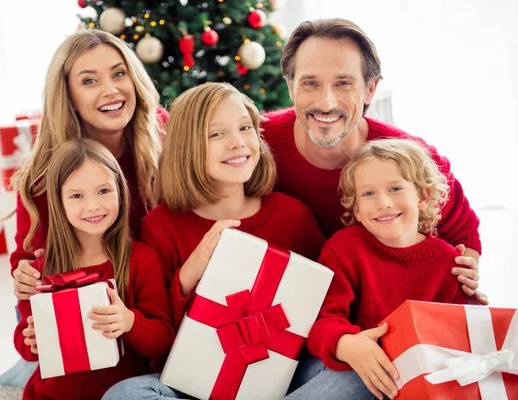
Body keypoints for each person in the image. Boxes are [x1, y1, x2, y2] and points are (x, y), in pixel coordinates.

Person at [103, 82, 329, 399]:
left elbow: (324, 304)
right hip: (194, 382)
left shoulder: (293, 215)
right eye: (216, 134)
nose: (237, 143)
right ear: (186, 147)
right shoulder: (161, 227)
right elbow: (159, 337)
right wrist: (189, 275)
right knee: (124, 395)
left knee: (345, 374)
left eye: (244, 127)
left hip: (282, 375)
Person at [260, 18, 487, 304]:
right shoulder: (254, 142)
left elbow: (463, 235)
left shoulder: (411, 158)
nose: (326, 102)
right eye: (310, 83)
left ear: (370, 89)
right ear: (291, 88)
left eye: (343, 83)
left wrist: (461, 277)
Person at [305, 139, 475, 400]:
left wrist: (476, 301)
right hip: (349, 364)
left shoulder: (448, 262)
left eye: (395, 188)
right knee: (360, 376)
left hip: (413, 375)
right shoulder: (344, 249)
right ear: (357, 209)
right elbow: (319, 322)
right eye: (368, 193)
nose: (383, 202)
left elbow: (468, 334)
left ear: (422, 197)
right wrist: (346, 344)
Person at [11, 29, 168, 301]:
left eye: (119, 74)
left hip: (157, 299)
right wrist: (23, 273)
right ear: (69, 98)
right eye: (89, 81)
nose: (111, 90)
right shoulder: (43, 176)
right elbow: (28, 261)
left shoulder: (162, 133)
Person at [14, 139, 174, 399]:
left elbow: (163, 338)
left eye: (104, 191)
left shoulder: (142, 260)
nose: (93, 206)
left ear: (120, 192)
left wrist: (130, 321)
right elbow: (23, 341)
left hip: (121, 392)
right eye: (77, 195)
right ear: (59, 202)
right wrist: (31, 341)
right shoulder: (40, 269)